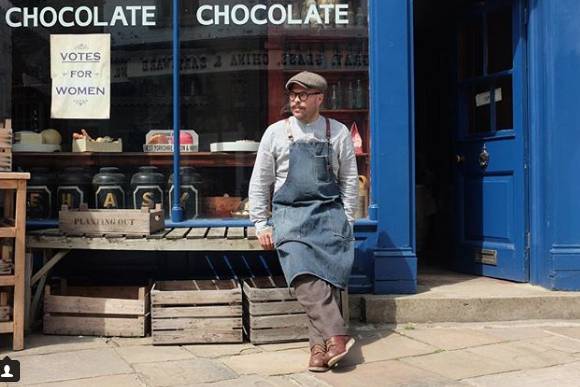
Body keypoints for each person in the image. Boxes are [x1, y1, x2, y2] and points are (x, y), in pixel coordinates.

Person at [249, 71, 359, 372]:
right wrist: (261, 223)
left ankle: (319, 351)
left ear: (319, 98)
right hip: (290, 215)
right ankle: (337, 333)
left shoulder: (335, 132)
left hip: (328, 212)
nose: (296, 101)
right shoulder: (276, 132)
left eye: (303, 95)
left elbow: (349, 179)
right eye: (293, 95)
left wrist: (347, 220)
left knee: (329, 275)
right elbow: (261, 181)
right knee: (301, 272)